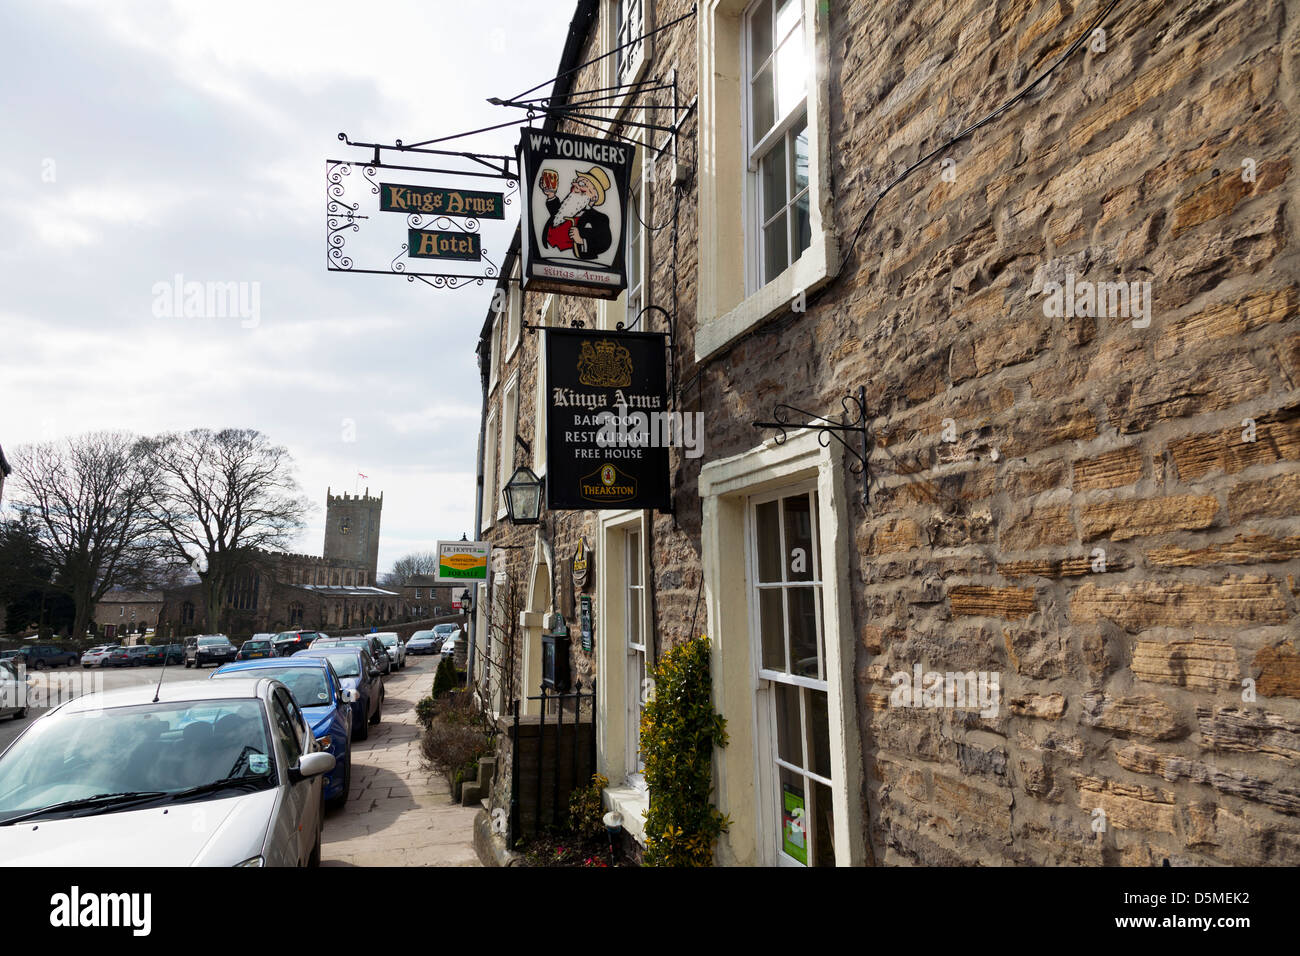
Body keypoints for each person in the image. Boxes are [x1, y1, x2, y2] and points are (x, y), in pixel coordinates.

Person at [540, 167, 614, 260]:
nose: (574, 184)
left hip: (571, 261)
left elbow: (604, 243)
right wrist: (551, 195)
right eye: (576, 181)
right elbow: (557, 214)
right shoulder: (568, 207)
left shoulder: (600, 218)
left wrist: (581, 240)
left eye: (582, 183)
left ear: (594, 196)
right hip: (548, 256)